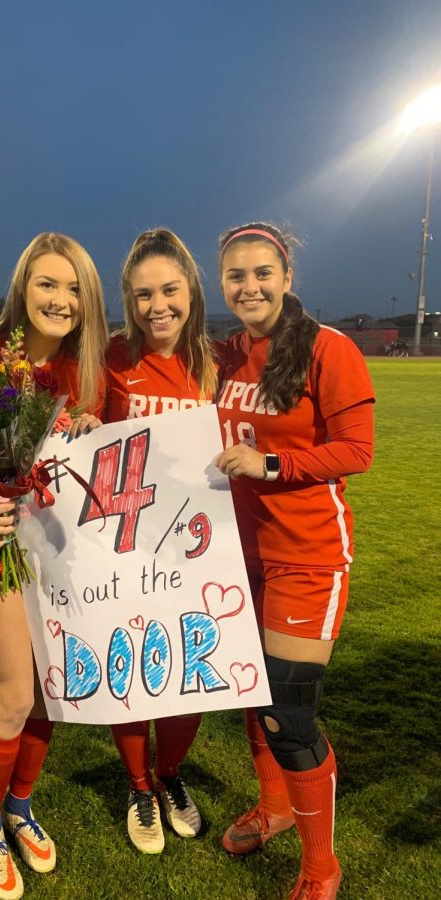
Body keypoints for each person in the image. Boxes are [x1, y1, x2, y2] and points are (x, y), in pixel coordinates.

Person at [214, 222, 375, 900]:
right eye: (234, 276)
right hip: (233, 554)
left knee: (289, 713)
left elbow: (356, 450)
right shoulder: (222, 355)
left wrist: (268, 463)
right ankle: (274, 805)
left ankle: (320, 867)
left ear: (284, 277)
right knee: (255, 695)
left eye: (260, 273)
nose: (248, 286)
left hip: (305, 556)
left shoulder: (326, 349)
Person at [0, 232, 108, 899]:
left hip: (60, 555)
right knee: (14, 693)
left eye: (73, 288)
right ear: (22, 288)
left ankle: (19, 803)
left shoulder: (88, 368)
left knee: (49, 689)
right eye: (47, 284)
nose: (61, 300)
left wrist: (93, 425)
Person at [105, 228, 218, 854]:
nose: (158, 306)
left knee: (188, 667)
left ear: (190, 289)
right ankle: (138, 783)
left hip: (199, 547)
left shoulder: (214, 361)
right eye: (143, 294)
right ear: (129, 299)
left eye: (169, 290)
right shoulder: (113, 358)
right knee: (134, 659)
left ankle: (170, 774)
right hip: (127, 548)